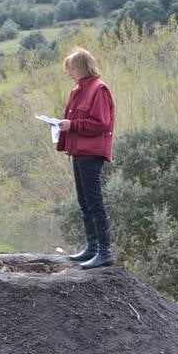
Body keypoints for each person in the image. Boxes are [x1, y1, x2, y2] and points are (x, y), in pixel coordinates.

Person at [57, 47, 116, 269]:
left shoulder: (98, 90)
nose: (69, 72)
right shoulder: (79, 90)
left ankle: (104, 251)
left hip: (92, 153)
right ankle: (92, 248)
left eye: (71, 68)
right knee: (84, 202)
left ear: (82, 67)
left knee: (94, 202)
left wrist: (72, 125)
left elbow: (100, 123)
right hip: (79, 151)